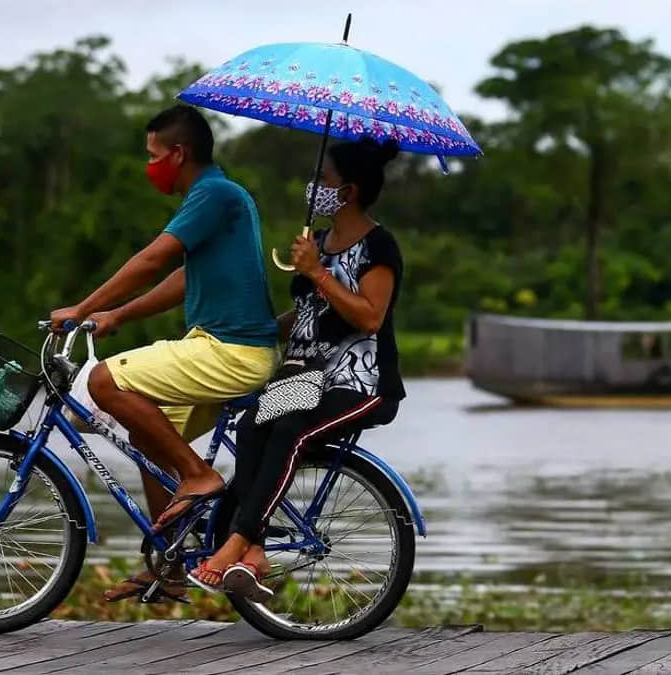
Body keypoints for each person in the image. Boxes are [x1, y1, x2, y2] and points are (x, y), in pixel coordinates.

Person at [49, 104, 279, 602]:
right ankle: (169, 563)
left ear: (179, 153)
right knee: (151, 439)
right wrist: (117, 315)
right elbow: (181, 279)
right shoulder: (217, 195)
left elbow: (154, 258)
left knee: (103, 382)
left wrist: (83, 306)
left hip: (231, 352)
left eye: (154, 155)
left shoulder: (214, 193)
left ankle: (200, 475)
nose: (149, 165)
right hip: (220, 349)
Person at [185, 136, 406, 598]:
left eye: (322, 179)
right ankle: (256, 553)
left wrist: (317, 273)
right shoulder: (319, 242)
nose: (313, 187)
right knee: (253, 427)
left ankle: (236, 542)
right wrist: (258, 329)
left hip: (359, 382)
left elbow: (369, 316)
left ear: (347, 191)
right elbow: (308, 316)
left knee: (293, 433)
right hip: (305, 377)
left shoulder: (378, 247)